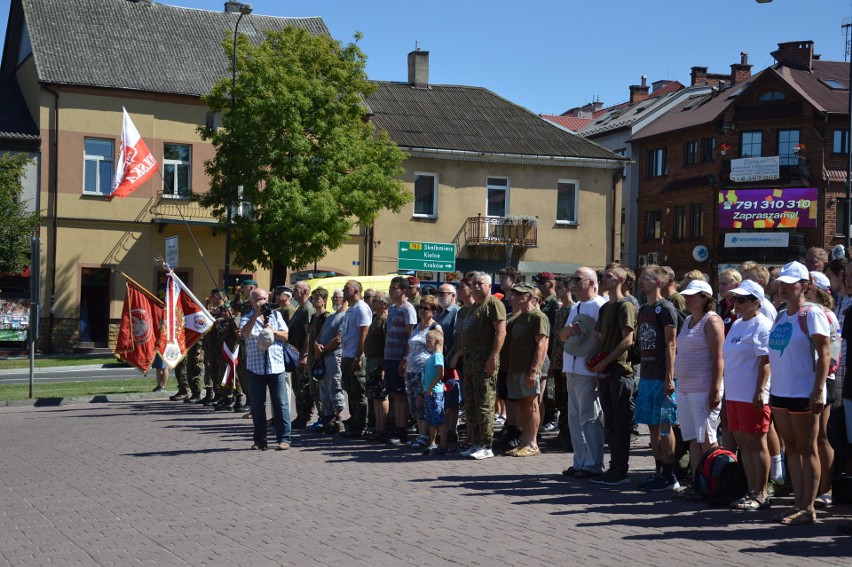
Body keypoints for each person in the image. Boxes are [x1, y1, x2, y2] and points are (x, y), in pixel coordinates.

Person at [768, 261, 830, 525]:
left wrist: (818, 390)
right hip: (780, 391)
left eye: (791, 283)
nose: (784, 287)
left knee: (807, 448)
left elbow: (825, 353)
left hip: (804, 391)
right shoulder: (781, 315)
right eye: (782, 282)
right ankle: (798, 503)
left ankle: (808, 506)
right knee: (791, 448)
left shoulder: (812, 313)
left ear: (805, 286)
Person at [724, 280, 773, 510]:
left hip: (751, 393)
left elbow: (765, 361)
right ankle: (751, 490)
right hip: (734, 392)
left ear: (756, 302)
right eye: (736, 299)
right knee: (743, 443)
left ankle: (762, 493)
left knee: (756, 442)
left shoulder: (762, 324)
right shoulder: (736, 324)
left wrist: (760, 391)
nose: (737, 303)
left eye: (742, 300)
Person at [674, 280, 725, 493]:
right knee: (693, 438)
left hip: (703, 388)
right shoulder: (687, 320)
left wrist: (715, 389)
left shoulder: (712, 321)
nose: (686, 298)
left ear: (705, 298)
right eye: (686, 295)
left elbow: (718, 358)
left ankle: (712, 483)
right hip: (685, 387)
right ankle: (697, 483)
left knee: (707, 437)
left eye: (692, 295)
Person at [634, 265, 681, 492]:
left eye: (647, 278)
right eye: (641, 277)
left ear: (659, 283)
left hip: (663, 378)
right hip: (647, 377)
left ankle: (670, 475)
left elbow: (671, 344)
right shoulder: (643, 309)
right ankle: (658, 471)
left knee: (664, 427)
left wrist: (670, 378)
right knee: (652, 428)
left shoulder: (666, 308)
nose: (642, 281)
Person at [590, 263, 637, 487]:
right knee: (610, 423)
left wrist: (605, 362)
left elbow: (628, 340)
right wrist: (595, 362)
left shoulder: (625, 306)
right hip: (606, 371)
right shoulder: (605, 308)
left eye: (608, 276)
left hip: (620, 372)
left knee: (620, 423)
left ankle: (621, 470)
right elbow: (600, 340)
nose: (604, 279)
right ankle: (613, 467)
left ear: (619, 279)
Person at [560, 267, 606, 477]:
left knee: (589, 417)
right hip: (572, 367)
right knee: (574, 418)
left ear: (590, 282)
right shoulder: (576, 306)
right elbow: (563, 336)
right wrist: (567, 332)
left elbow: (602, 337)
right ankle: (580, 461)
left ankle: (593, 464)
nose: (574, 283)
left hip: (587, 370)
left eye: (578, 279)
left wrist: (595, 361)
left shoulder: (599, 305)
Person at [459, 272, 507, 460]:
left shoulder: (494, 304)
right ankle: (477, 443)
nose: (477, 287)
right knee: (471, 404)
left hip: (484, 359)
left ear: (489, 286)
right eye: (474, 284)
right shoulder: (473, 307)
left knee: (485, 404)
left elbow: (500, 332)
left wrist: (493, 357)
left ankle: (487, 445)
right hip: (470, 360)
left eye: (480, 283)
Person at [240, 288, 291, 451]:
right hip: (255, 368)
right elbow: (245, 333)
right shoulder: (247, 318)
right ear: (252, 302)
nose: (262, 302)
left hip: (276, 366)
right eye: (258, 299)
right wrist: (256, 314)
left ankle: (284, 439)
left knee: (281, 403)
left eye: (264, 299)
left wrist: (272, 330)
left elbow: (286, 336)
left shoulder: (276, 316)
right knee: (257, 405)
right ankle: (260, 440)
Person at [504, 282, 549, 457]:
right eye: (513, 293)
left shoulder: (538, 316)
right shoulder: (519, 317)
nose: (512, 296)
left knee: (531, 404)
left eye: (518, 293)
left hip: (528, 370)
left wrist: (534, 370)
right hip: (516, 369)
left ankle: (532, 443)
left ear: (528, 296)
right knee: (523, 405)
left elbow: (542, 344)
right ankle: (524, 441)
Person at [806, 270, 839, 508]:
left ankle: (826, 488)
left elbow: (832, 356)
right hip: (807, 378)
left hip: (824, 378)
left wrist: (821, 381)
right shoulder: (806, 312)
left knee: (821, 436)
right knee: (811, 436)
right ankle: (816, 485)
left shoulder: (825, 314)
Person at [405, 295, 442, 449]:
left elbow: (439, 351)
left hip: (425, 372)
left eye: (426, 308)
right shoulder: (416, 327)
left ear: (433, 311)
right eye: (420, 307)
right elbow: (410, 347)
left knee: (423, 404)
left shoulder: (435, 328)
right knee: (414, 404)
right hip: (411, 370)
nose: (422, 311)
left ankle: (426, 436)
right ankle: (420, 435)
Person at [384, 276, 418, 445]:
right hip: (389, 355)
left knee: (401, 395)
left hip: (400, 357)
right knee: (394, 394)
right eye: (390, 287)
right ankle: (396, 426)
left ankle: (402, 430)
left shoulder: (408, 309)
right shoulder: (391, 309)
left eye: (394, 288)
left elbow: (410, 335)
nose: (391, 291)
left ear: (403, 291)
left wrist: (405, 358)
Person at [339, 280, 372, 437]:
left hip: (355, 356)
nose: (344, 291)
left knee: (359, 392)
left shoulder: (361, 308)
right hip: (347, 355)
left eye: (347, 288)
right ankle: (354, 421)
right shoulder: (350, 309)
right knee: (351, 392)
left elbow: (364, 334)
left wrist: (358, 357)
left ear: (357, 291)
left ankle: (361, 425)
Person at [314, 288, 348, 434]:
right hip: (323, 356)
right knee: (324, 386)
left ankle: (338, 418)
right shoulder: (330, 317)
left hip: (334, 355)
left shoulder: (344, 316)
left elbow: (339, 338)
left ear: (344, 300)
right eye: (333, 298)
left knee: (335, 385)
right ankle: (328, 417)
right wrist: (316, 345)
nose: (334, 300)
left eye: (337, 298)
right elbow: (319, 334)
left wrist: (324, 348)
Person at [549, 275, 575, 449]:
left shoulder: (573, 309)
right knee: (560, 398)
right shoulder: (559, 311)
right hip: (557, 361)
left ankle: (568, 433)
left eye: (559, 287)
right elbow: (554, 339)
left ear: (568, 289)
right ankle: (562, 431)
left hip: (567, 361)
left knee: (567, 399)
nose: (556, 290)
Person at [289, 280, 318, 430]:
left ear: (305, 291)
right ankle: (300, 414)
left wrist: (305, 355)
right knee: (297, 386)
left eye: (296, 289)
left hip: (301, 353)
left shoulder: (307, 308)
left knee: (303, 386)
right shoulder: (299, 308)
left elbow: (308, 334)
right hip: (295, 353)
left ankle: (304, 416)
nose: (294, 292)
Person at [436, 283, 461, 447]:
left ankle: (452, 429)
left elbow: (457, 337)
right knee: (441, 396)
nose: (440, 296)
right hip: (438, 362)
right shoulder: (439, 313)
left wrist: (451, 357)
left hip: (450, 362)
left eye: (444, 293)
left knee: (452, 397)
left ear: (453, 295)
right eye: (439, 293)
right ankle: (443, 428)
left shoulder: (456, 312)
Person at [364, 291, 389, 441]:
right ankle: (378, 427)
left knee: (381, 395)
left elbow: (387, 343)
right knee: (375, 396)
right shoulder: (376, 318)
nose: (372, 303)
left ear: (384, 304)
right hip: (372, 360)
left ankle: (383, 428)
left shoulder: (385, 320)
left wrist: (385, 367)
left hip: (380, 361)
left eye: (376, 300)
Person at [421, 329, 448, 455]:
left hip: (435, 392)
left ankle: (443, 445)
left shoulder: (437, 356)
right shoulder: (432, 356)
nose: (426, 344)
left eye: (428, 341)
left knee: (439, 419)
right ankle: (432, 443)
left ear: (437, 341)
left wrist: (431, 387)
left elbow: (440, 373)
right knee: (431, 419)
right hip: (429, 392)